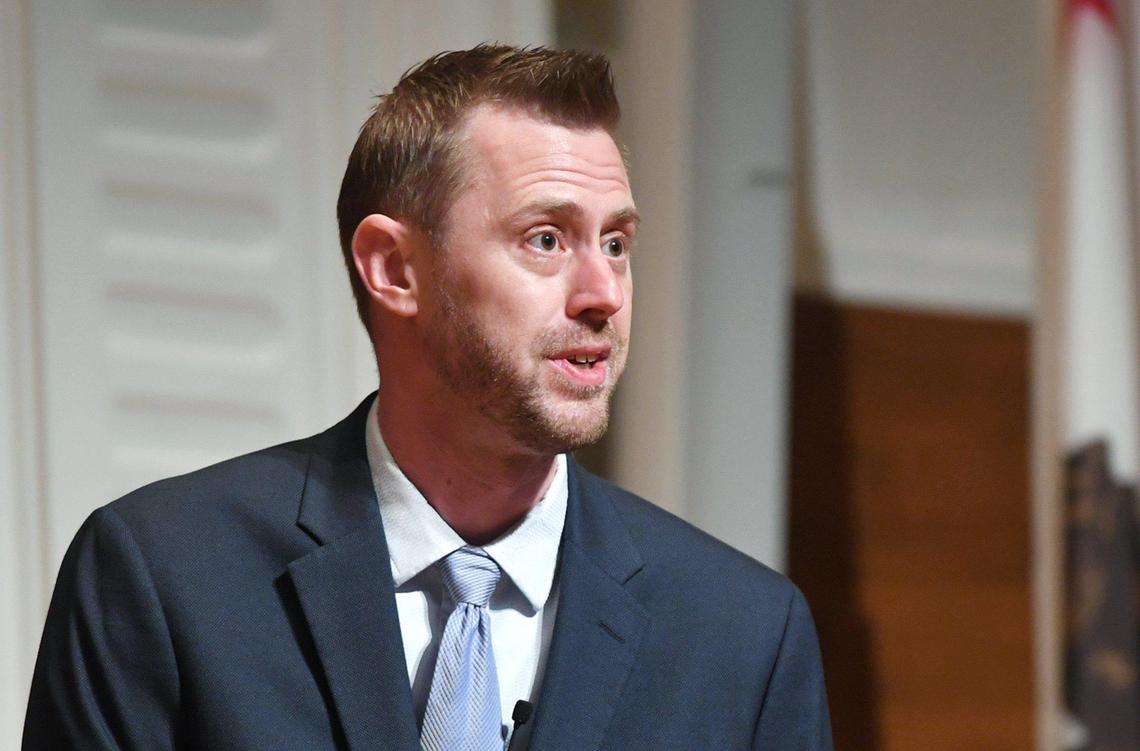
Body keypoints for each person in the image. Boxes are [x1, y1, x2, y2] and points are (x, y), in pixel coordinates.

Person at [24, 45, 832, 750]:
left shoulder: (744, 638)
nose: (603, 294)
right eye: (546, 238)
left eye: (615, 242)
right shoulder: (163, 578)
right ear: (395, 269)